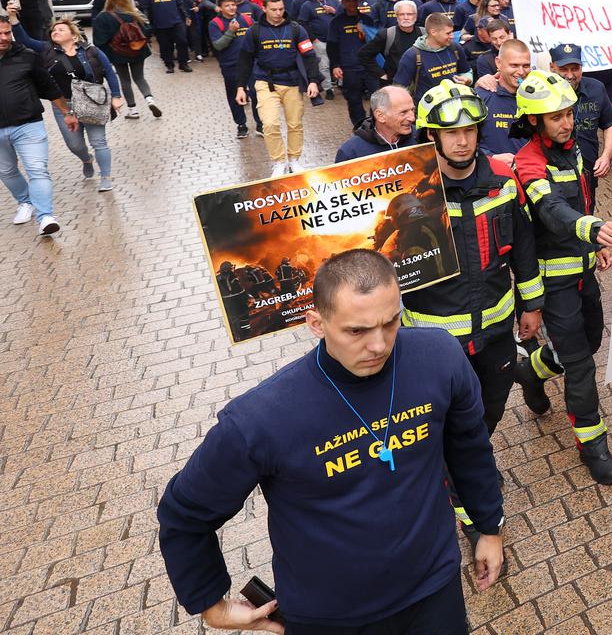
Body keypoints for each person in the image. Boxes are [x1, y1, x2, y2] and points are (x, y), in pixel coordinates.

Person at [155, 249, 506, 633]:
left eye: (391, 323)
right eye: (357, 330)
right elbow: (185, 513)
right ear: (316, 324)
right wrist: (209, 600)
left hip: (434, 589)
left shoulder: (440, 358)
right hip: (330, 616)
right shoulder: (262, 417)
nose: (379, 345)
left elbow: (470, 449)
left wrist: (488, 527)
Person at [409, 80, 539, 536]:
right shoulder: (410, 193)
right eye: (451, 133)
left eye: (469, 130)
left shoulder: (503, 182)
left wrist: (531, 304)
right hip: (433, 341)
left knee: (488, 411)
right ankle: (464, 498)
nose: (462, 140)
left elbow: (523, 246)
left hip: (497, 329)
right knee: (444, 420)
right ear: (432, 136)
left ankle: (470, 460)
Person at [510, 71, 612, 484]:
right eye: (556, 117)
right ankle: (592, 445)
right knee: (580, 364)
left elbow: (581, 201)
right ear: (533, 122)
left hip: (583, 272)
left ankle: (531, 371)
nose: (568, 123)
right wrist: (594, 230)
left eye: (568, 113)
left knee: (592, 340)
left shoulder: (574, 151)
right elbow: (552, 212)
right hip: (553, 283)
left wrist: (593, 244)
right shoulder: (528, 162)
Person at [12, 16, 121, 192]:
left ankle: (106, 177)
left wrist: (116, 95)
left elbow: (109, 70)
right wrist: (13, 18)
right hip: (64, 106)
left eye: (61, 29)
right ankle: (86, 159)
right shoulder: (46, 49)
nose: (56, 32)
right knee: (75, 145)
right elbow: (25, 40)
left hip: (92, 102)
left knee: (99, 141)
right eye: (54, 31)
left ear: (74, 36)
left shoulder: (91, 50)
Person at [0, 13, 73, 237]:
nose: (4, 37)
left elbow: (48, 86)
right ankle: (25, 201)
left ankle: (46, 217)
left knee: (37, 170)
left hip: (28, 124)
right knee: (6, 170)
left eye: (6, 33)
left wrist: (66, 112)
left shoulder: (27, 56)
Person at [237, 0, 323, 175]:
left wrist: (313, 81)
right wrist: (240, 86)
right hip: (265, 82)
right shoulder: (255, 31)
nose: (278, 13)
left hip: (292, 81)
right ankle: (278, 161)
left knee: (295, 123)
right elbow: (245, 59)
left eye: (281, 9)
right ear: (264, 9)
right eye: (273, 9)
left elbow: (309, 57)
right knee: (269, 124)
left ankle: (294, 159)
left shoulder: (296, 29)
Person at [547, 43, 612, 184]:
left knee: (588, 206)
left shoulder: (596, 88)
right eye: (563, 69)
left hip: (587, 170)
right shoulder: (542, 92)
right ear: (552, 67)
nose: (570, 75)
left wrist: (606, 156)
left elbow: (610, 124)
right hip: (551, 174)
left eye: (575, 69)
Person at [91, 0, 161, 119]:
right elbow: (148, 30)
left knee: (125, 80)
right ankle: (150, 99)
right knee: (140, 78)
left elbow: (99, 41)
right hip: (137, 50)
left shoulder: (102, 17)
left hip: (117, 53)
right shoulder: (134, 13)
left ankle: (133, 110)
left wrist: (106, 56)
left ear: (108, 0)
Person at [209, 0, 261, 139]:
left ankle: (260, 123)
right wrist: (231, 31)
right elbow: (218, 45)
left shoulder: (246, 19)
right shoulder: (215, 23)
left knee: (257, 92)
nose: (232, 8)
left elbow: (258, 36)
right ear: (220, 7)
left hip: (251, 63)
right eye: (227, 5)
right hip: (231, 65)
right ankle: (241, 124)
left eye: (233, 4)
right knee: (234, 96)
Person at [392, 12, 472, 103]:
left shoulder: (455, 48)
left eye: (452, 32)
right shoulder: (412, 55)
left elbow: (466, 71)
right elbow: (398, 89)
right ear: (433, 32)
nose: (452, 36)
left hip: (456, 104)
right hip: (426, 109)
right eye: (448, 33)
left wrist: (468, 80)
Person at [474, 39, 531, 163]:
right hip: (494, 177)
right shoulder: (481, 97)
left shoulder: (536, 97)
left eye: (526, 66)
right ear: (499, 63)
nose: (521, 72)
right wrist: (491, 158)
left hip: (532, 176)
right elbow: (464, 143)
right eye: (514, 65)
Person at [326, 0, 375, 128]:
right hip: (349, 67)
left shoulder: (367, 19)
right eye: (348, 1)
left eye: (354, 1)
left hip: (369, 65)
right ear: (343, 3)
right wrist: (335, 65)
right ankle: (360, 126)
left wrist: (364, 31)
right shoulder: (336, 22)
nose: (352, 4)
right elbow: (332, 46)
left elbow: (376, 40)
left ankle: (375, 124)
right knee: (353, 100)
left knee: (377, 97)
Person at [336, 85, 416, 162]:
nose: (412, 118)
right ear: (380, 115)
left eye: (412, 110)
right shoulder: (351, 153)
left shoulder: (421, 138)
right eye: (403, 112)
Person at [139, 0, 192, 74]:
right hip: (159, 24)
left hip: (176, 22)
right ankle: (169, 64)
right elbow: (144, 9)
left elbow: (180, 5)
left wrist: (186, 17)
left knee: (182, 42)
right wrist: (147, 23)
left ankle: (183, 63)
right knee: (165, 45)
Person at [360, 0, 417, 86]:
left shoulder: (424, 34)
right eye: (401, 14)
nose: (406, 17)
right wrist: (381, 74)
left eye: (409, 14)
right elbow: (364, 55)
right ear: (396, 16)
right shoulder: (387, 34)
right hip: (394, 85)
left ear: (415, 16)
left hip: (419, 84)